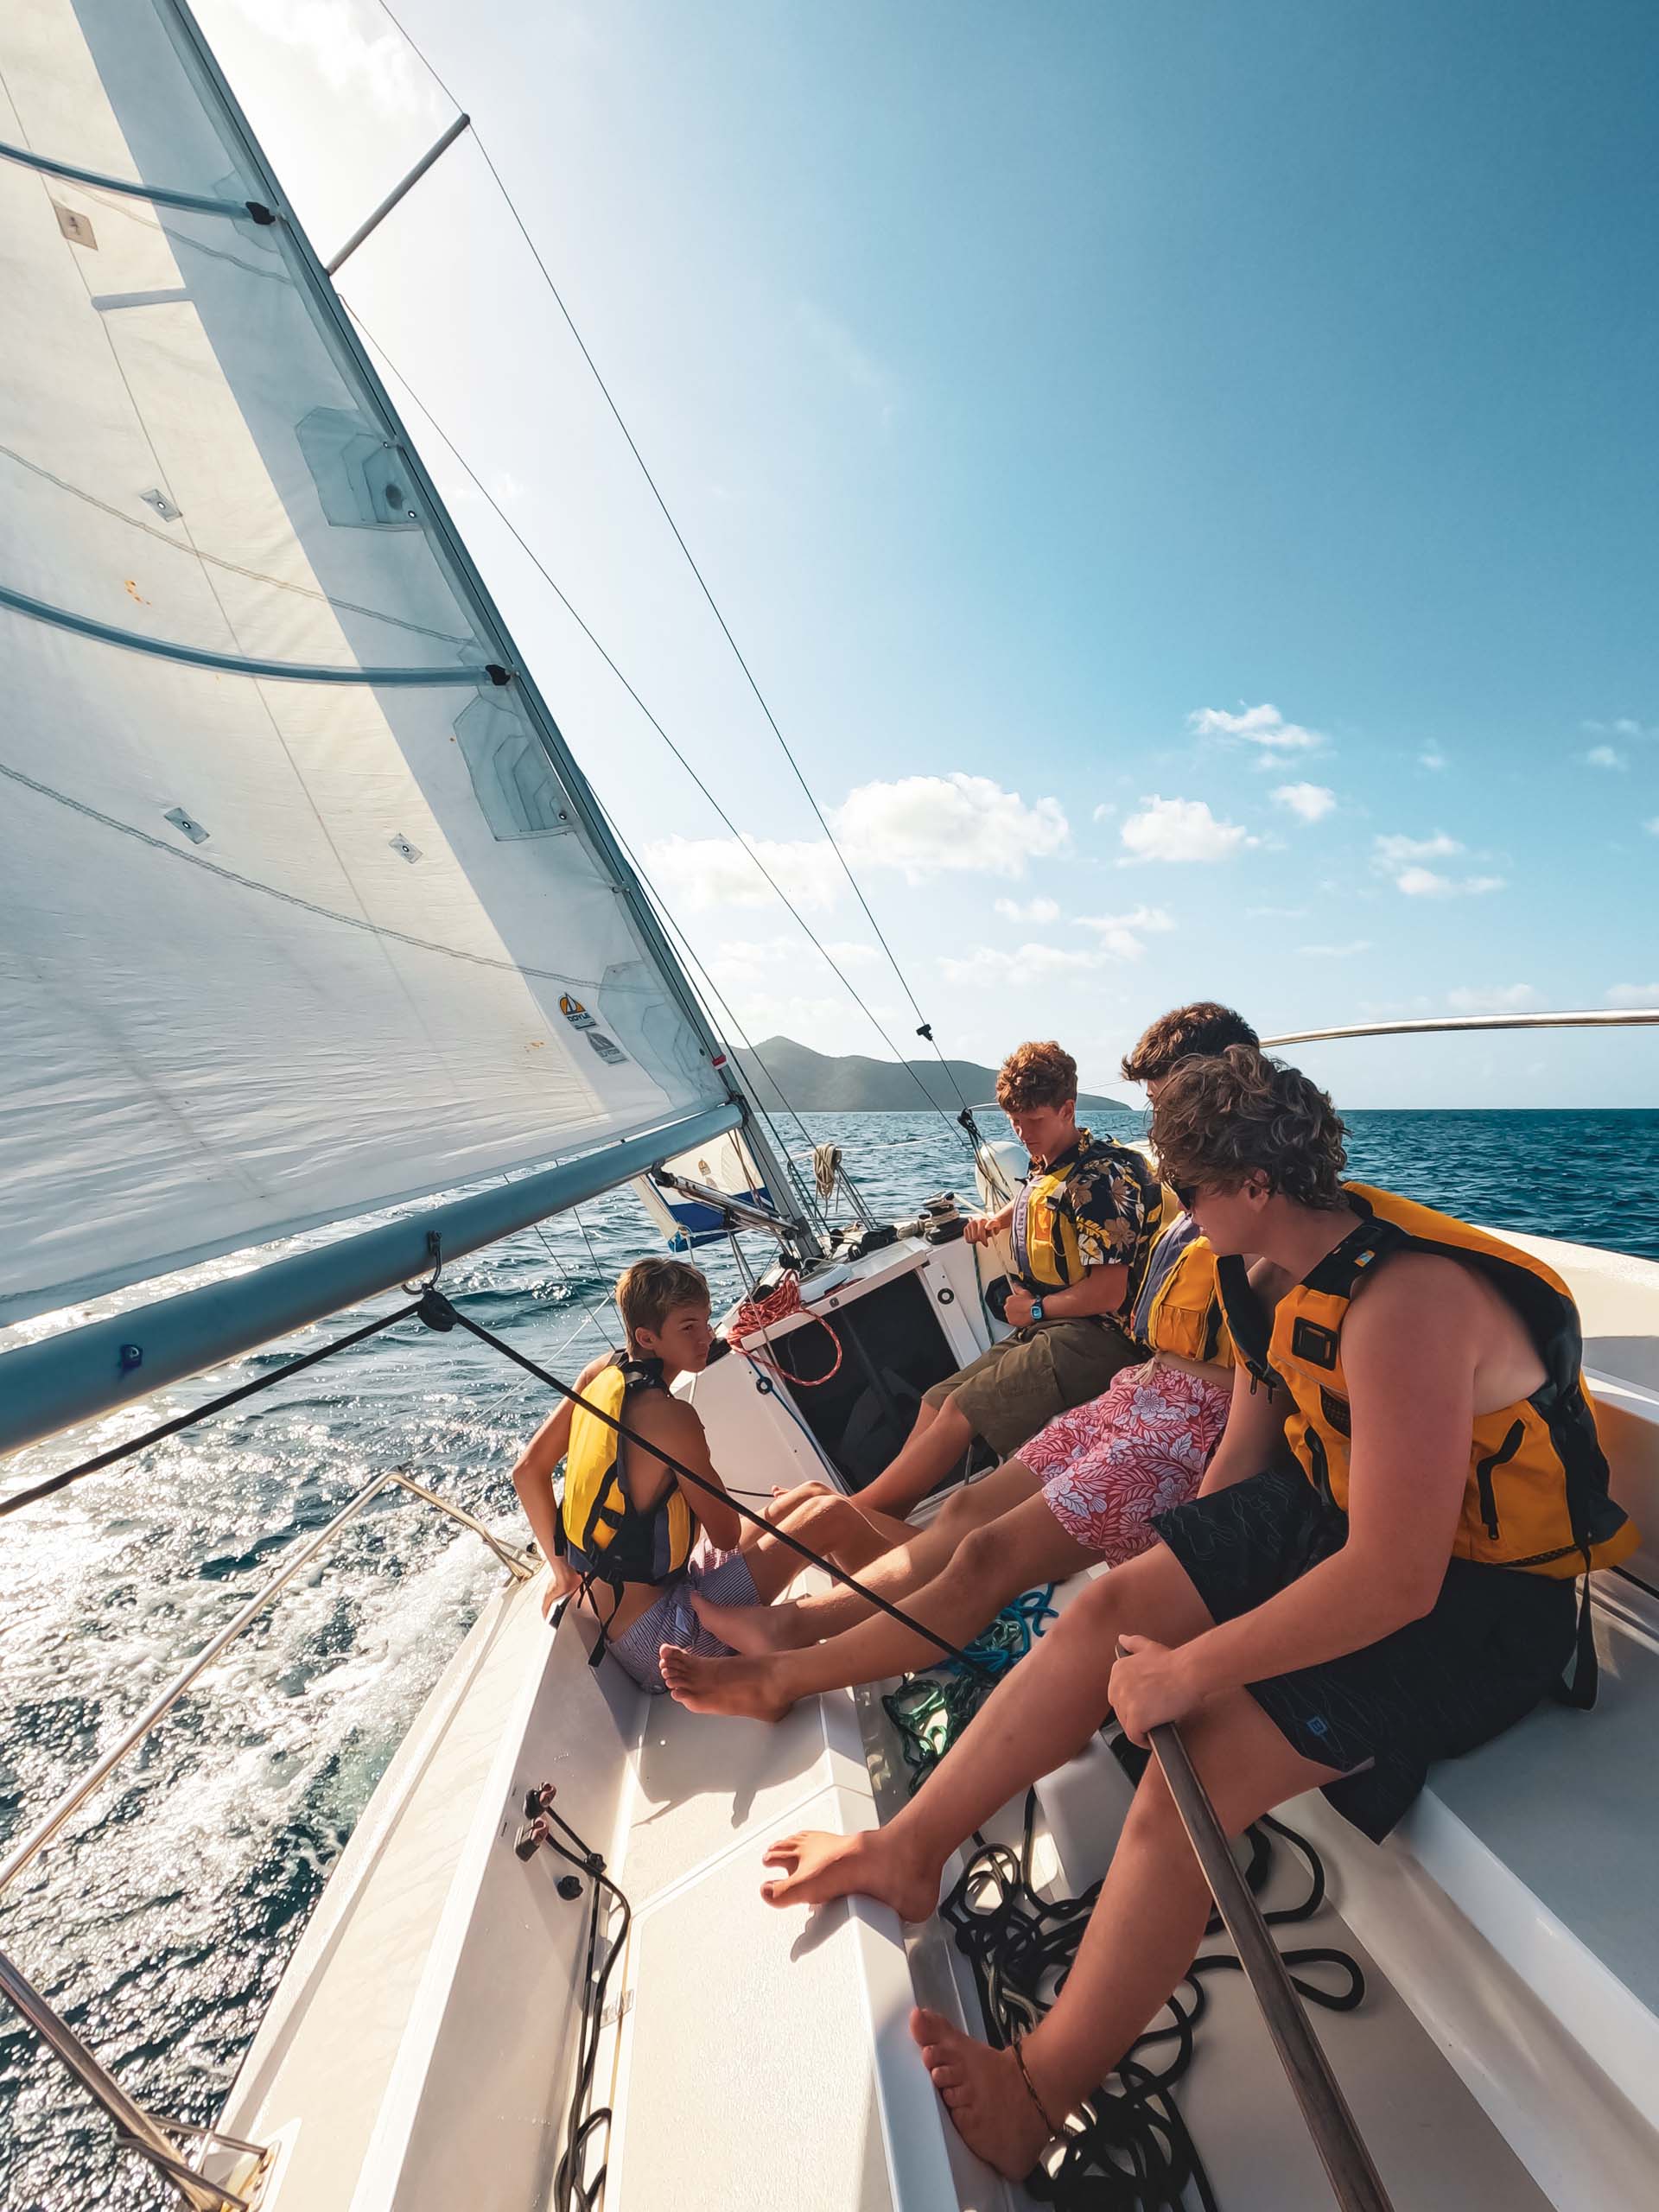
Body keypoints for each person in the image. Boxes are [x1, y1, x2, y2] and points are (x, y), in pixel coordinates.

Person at [747, 1046, 1637, 2180]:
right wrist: (1193, 1571)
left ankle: (1039, 2086)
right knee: (1115, 1598)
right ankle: (907, 1847)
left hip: (1485, 1600)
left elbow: (1399, 1580)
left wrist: (1199, 1666)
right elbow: (1261, 1450)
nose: (1176, 1205)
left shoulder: (1406, 1308)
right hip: (1344, 1516)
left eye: (1192, 1186)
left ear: (1254, 1189)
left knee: (1194, 1773)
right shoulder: (1265, 1267)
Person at [662, 1003, 1271, 1720]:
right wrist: (1000, 1226)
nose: (1159, 1132)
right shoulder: (1158, 1197)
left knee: (984, 1542)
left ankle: (798, 1640)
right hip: (1142, 1383)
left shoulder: (1252, 1211)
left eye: (1167, 1106)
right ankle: (840, 1573)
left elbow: (1250, 1376)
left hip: (1148, 1387)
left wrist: (1207, 1538)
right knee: (970, 1500)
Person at [775, 1039, 1169, 1528]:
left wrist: (1037, 1312)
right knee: (935, 1399)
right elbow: (1042, 1196)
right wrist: (1001, 1218)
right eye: (1014, 1123)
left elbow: (1110, 1293)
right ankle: (879, 1521)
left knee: (962, 1409)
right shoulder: (1054, 1160)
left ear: (1068, 1109)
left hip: (1103, 1335)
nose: (1023, 1134)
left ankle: (848, 1521)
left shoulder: (1101, 1180)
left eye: (1034, 1122)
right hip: (1054, 1325)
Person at [512, 1257, 910, 1693]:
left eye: (705, 1320)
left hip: (644, 1605)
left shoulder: (600, 1373)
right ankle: (918, 1610)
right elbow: (722, 1534)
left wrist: (562, 1571)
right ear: (648, 1337)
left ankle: (928, 1560)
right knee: (828, 1515)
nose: (707, 1336)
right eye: (688, 1327)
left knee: (810, 1494)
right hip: (666, 1639)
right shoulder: (671, 1417)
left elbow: (528, 1471)